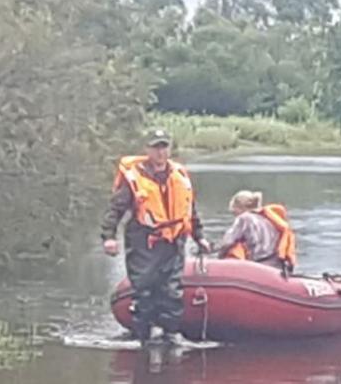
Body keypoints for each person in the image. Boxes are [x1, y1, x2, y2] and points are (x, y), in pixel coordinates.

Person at [100, 129, 210, 345]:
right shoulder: (134, 177)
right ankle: (142, 335)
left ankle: (170, 333)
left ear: (169, 149)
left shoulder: (179, 175)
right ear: (147, 149)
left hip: (175, 239)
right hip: (144, 240)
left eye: (164, 147)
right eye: (156, 147)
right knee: (144, 287)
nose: (160, 152)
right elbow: (116, 208)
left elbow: (190, 209)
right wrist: (109, 236)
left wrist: (200, 236)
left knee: (172, 289)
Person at [215, 190, 297, 272]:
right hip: (278, 265)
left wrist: (219, 258)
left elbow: (227, 243)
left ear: (239, 207)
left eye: (234, 211)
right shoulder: (268, 218)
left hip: (261, 265)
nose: (234, 215)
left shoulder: (244, 218)